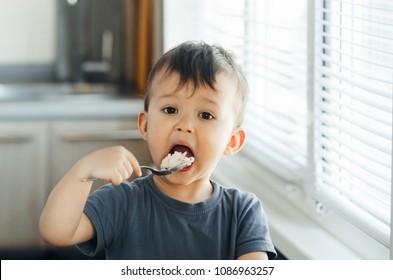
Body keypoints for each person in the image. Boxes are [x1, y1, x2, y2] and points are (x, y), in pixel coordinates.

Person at [39, 41, 277, 260]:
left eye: (206, 115)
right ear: (145, 125)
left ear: (232, 141)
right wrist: (83, 172)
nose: (184, 125)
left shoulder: (243, 213)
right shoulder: (122, 201)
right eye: (171, 110)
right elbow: (57, 232)